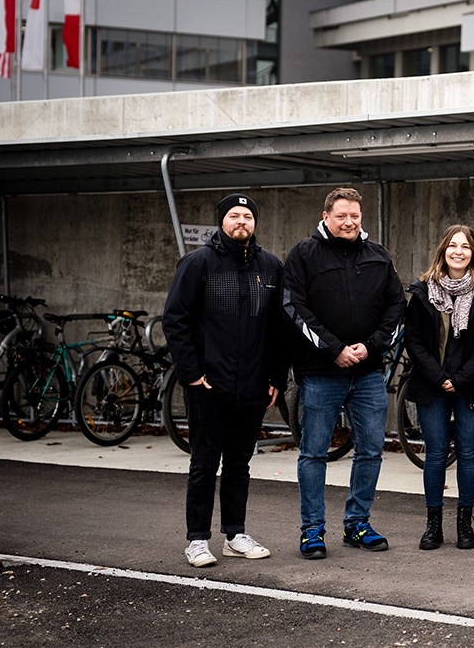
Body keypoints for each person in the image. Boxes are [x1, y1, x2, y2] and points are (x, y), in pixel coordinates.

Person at [162, 193, 289, 568]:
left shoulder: (270, 266)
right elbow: (175, 320)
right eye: (234, 215)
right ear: (222, 222)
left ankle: (235, 534)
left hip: (252, 385)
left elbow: (280, 329)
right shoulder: (198, 263)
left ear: (254, 223)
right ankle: (198, 540)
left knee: (239, 464)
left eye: (248, 216)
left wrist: (275, 378)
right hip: (208, 386)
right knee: (204, 464)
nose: (241, 222)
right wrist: (191, 375)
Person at [283, 187, 405, 559]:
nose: (349, 222)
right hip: (321, 372)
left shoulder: (378, 255)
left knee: (370, 451)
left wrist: (371, 346)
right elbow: (293, 308)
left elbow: (397, 307)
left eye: (354, 215)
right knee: (313, 453)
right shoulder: (304, 254)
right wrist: (333, 349)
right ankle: (312, 531)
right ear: (326, 217)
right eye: (341, 216)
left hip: (368, 373)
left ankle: (357, 524)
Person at [403, 225, 474, 550]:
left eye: (465, 246)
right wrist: (439, 377)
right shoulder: (423, 292)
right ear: (443, 251)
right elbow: (414, 341)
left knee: (467, 454)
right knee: (435, 455)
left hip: (471, 386)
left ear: (473, 252)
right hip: (432, 385)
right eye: (452, 246)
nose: (458, 251)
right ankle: (433, 526)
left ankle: (465, 524)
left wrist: (459, 379)